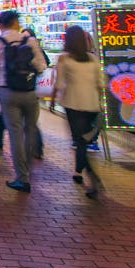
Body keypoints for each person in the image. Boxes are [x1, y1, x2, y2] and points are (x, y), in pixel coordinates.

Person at [0, 10, 47, 193]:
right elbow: (42, 67)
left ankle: (22, 177)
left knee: (15, 133)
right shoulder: (31, 41)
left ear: (0, 25)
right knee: (30, 130)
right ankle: (28, 168)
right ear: (17, 22)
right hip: (29, 92)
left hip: (8, 93)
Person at [51, 25, 107, 198]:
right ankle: (79, 172)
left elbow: (59, 84)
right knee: (83, 141)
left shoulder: (64, 59)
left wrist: (52, 100)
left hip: (73, 104)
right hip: (92, 105)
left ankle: (92, 177)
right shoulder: (93, 59)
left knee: (80, 142)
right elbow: (102, 84)